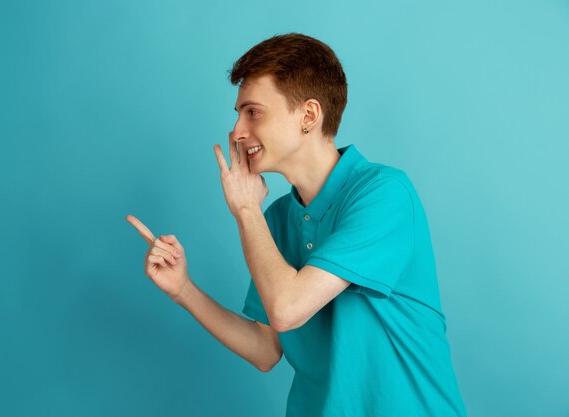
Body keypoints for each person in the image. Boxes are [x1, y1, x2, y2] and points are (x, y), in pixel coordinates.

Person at [126, 32, 467, 417]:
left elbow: (288, 307)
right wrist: (183, 290)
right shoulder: (276, 220)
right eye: (238, 114)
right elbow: (266, 348)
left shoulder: (384, 195)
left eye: (253, 112)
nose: (237, 131)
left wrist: (245, 210)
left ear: (308, 115)